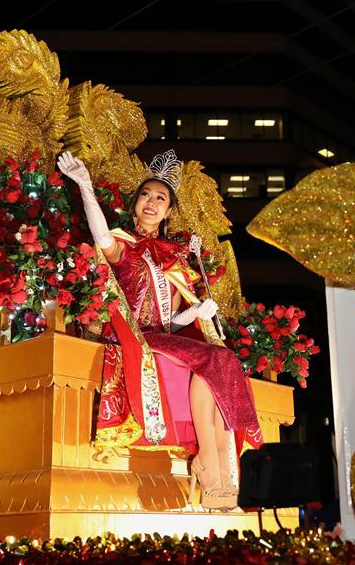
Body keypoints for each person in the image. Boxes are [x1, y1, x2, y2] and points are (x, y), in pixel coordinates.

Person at [57, 149, 262, 511]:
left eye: (160, 198)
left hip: (164, 336)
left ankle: (216, 468)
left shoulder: (174, 257)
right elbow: (99, 233)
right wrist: (85, 185)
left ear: (168, 212)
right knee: (213, 360)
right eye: (146, 195)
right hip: (136, 335)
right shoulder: (124, 245)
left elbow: (172, 322)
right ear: (136, 204)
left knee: (223, 358)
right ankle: (212, 469)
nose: (151, 202)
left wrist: (196, 309)